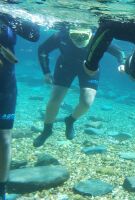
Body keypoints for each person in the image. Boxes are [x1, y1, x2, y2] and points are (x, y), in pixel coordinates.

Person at [33, 27, 126, 147]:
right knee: (55, 100)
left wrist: (122, 63)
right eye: (74, 36)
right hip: (65, 66)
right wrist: (46, 72)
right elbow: (43, 49)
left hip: (90, 68)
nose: (78, 39)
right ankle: (47, 130)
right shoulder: (62, 35)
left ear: (90, 33)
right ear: (69, 32)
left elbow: (119, 51)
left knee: (86, 103)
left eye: (83, 36)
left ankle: (70, 120)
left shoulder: (97, 38)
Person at [0, 13, 40, 200]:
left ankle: (1, 190)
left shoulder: (9, 9)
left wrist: (7, 13)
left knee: (4, 138)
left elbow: (34, 35)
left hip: (5, 83)